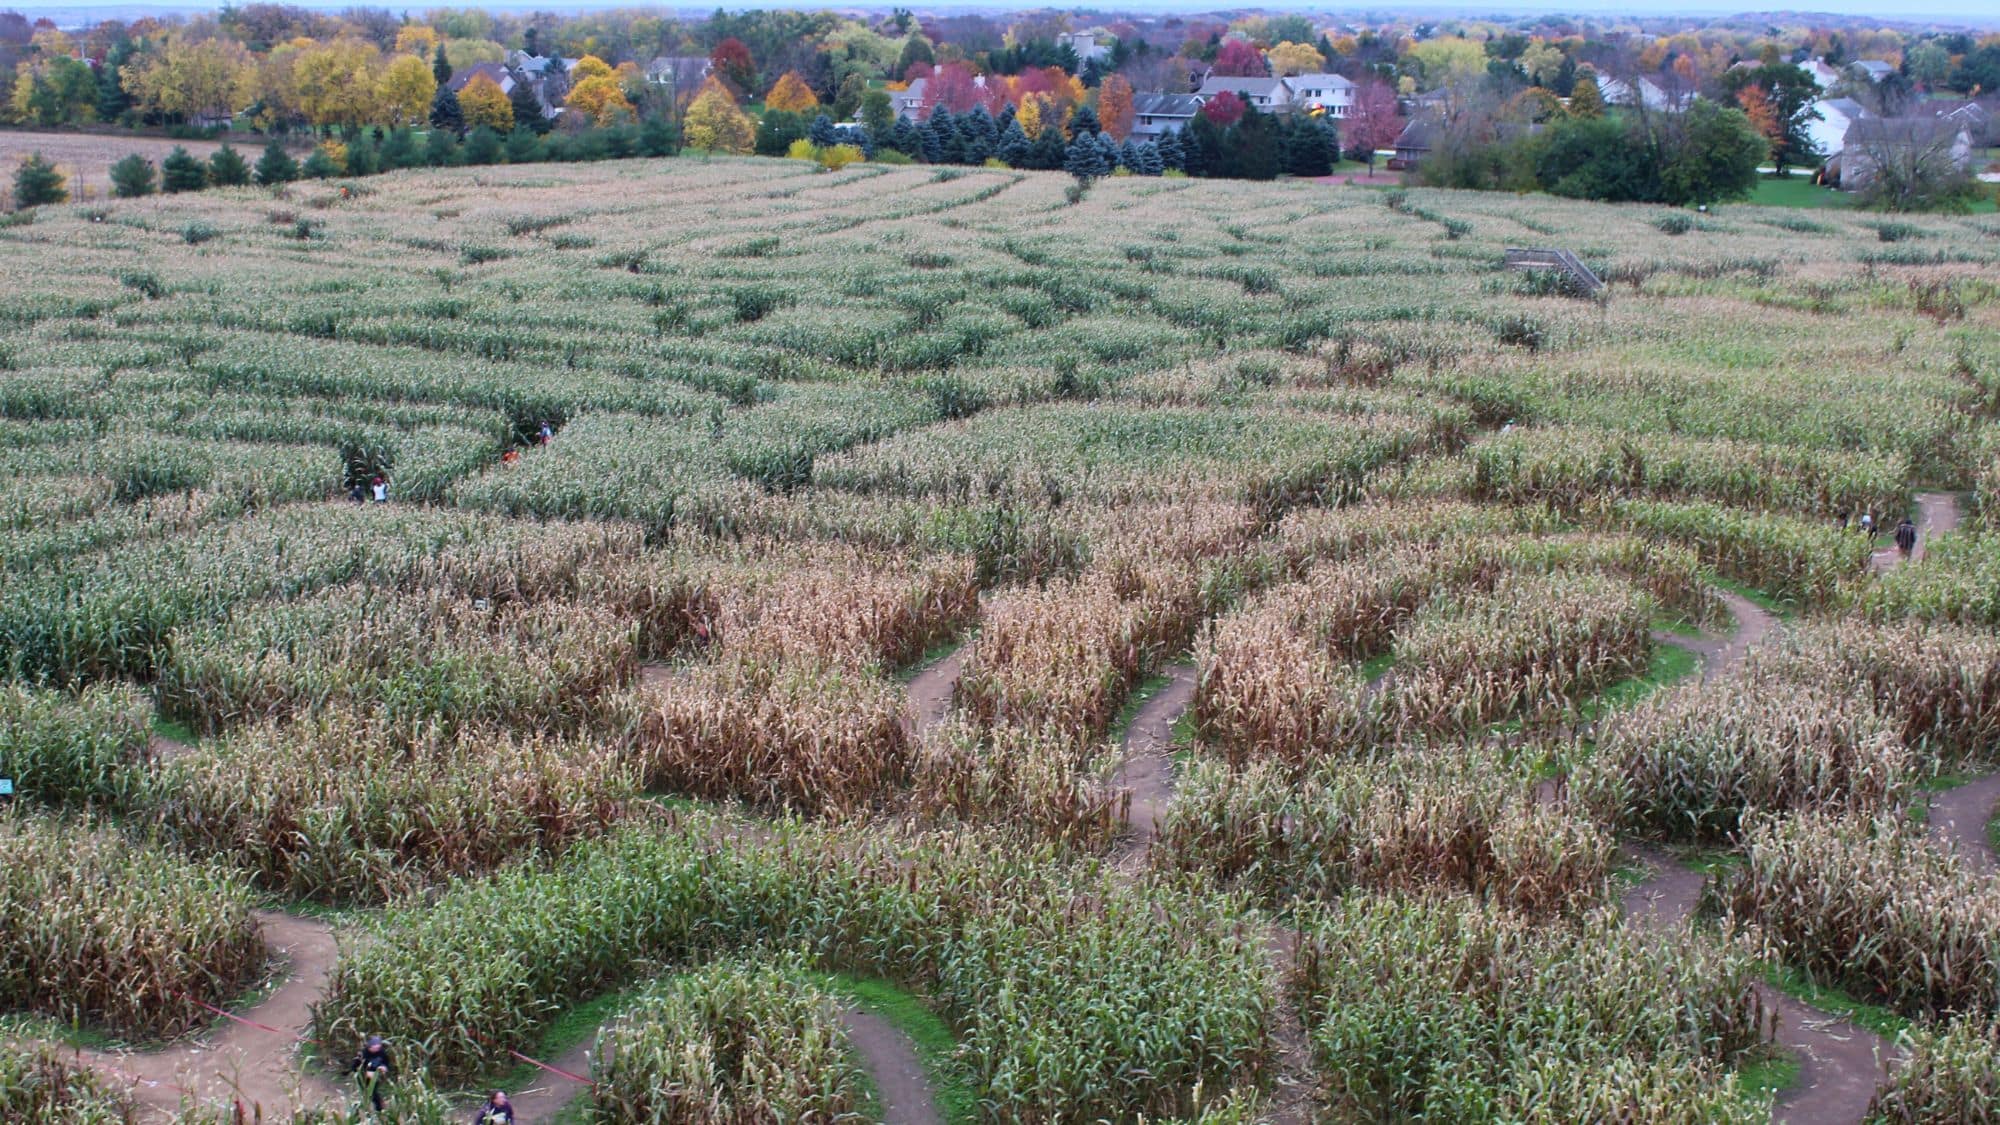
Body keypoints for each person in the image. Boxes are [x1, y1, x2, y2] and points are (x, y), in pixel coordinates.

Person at [346, 1035, 393, 1112]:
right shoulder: (363, 1054)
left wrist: (384, 1067)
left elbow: (386, 1062)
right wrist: (365, 1073)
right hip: (363, 1077)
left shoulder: (381, 1052)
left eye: (378, 1047)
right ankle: (362, 1110)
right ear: (369, 1046)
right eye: (375, 1047)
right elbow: (354, 1068)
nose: (377, 1049)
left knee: (373, 1093)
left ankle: (379, 1109)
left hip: (375, 1076)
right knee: (367, 1093)